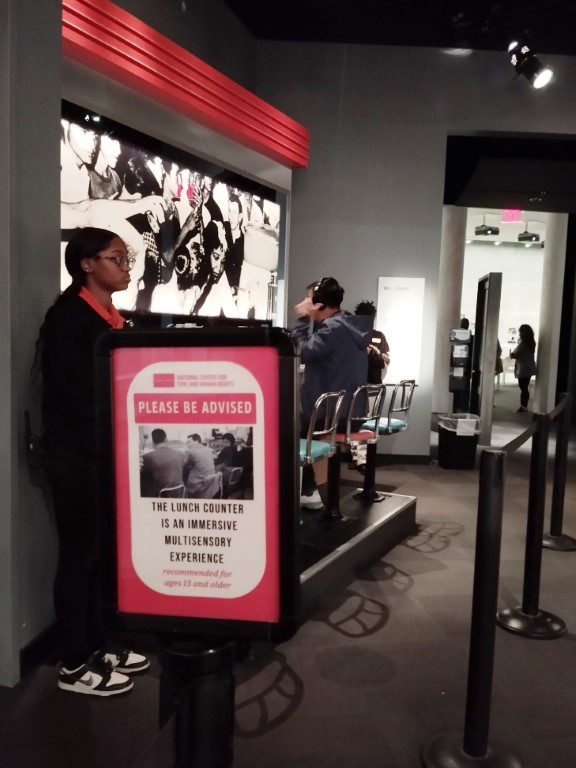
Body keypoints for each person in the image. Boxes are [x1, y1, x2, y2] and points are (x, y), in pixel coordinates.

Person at [39, 227, 148, 697]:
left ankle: (100, 641)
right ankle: (73, 661)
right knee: (79, 554)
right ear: (87, 264)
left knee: (101, 552)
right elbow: (78, 396)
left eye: (126, 259)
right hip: (77, 457)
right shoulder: (69, 319)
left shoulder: (107, 317)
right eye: (116, 258)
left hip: (103, 455)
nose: (125, 267)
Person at [293, 277, 371, 509]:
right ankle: (312, 490)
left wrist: (302, 318)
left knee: (289, 431)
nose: (305, 302)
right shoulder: (347, 324)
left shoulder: (332, 328)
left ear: (318, 303)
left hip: (332, 415)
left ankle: (308, 492)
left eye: (308, 298)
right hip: (350, 410)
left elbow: (301, 350)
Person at [350, 300, 389, 470]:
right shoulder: (351, 335)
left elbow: (386, 359)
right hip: (357, 385)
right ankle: (360, 460)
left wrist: (377, 354)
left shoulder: (378, 335)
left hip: (372, 385)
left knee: (368, 423)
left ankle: (363, 460)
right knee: (357, 422)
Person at [140, 428, 185, 497]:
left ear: (153, 443)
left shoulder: (147, 456)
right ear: (166, 440)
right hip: (180, 493)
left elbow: (143, 474)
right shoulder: (180, 454)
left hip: (161, 494)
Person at [183, 434, 220, 498]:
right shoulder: (208, 449)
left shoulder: (190, 451)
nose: (187, 445)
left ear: (196, 442)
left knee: (183, 475)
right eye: (186, 443)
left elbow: (183, 464)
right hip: (210, 486)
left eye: (189, 442)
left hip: (198, 487)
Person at [510, 324, 536, 412]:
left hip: (523, 368)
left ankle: (523, 407)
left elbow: (516, 354)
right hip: (528, 367)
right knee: (525, 387)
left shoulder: (523, 343)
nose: (519, 334)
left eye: (520, 332)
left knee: (523, 388)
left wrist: (511, 354)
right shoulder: (531, 342)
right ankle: (524, 406)